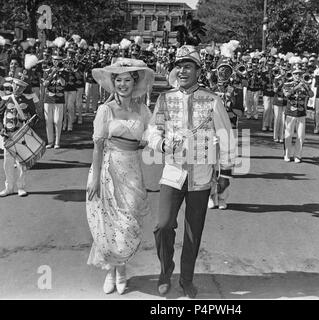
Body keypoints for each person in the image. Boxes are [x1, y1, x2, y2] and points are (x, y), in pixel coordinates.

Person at [145, 45, 236, 298]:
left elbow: (226, 137)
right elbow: (153, 131)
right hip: (173, 173)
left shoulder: (212, 100)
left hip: (202, 176)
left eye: (188, 66)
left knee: (193, 232)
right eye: (179, 66)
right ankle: (165, 272)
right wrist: (161, 143)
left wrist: (225, 174)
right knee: (163, 226)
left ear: (198, 70)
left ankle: (186, 279)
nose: (182, 70)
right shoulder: (165, 99)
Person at [86, 57, 154, 295]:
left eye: (127, 80)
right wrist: (95, 178)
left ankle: (122, 269)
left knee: (127, 222)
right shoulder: (105, 110)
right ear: (113, 83)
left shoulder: (143, 110)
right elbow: (98, 145)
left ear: (134, 82)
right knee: (109, 223)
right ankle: (112, 271)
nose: (123, 84)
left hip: (132, 171)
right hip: (107, 170)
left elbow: (153, 136)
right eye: (119, 80)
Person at [0, 70, 37, 197]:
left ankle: (21, 187)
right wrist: (1, 129)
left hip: (21, 135)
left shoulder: (28, 100)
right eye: (17, 85)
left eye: (22, 86)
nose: (19, 88)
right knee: (7, 162)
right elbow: (0, 116)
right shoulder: (5, 99)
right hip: (8, 134)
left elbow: (35, 116)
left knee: (21, 162)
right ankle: (9, 187)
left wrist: (29, 124)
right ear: (13, 84)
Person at [283, 61, 313, 163]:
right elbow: (286, 95)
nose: (298, 75)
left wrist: (306, 86)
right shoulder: (288, 84)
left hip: (301, 113)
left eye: (300, 74)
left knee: (300, 136)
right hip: (290, 113)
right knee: (288, 135)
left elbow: (312, 95)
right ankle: (287, 154)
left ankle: (297, 155)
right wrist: (296, 87)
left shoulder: (305, 84)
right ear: (292, 74)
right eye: (296, 74)